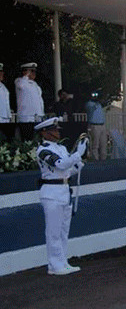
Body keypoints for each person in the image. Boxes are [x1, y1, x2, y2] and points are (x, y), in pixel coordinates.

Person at [35, 117, 87, 275]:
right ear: (45, 132)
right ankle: (54, 264)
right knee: (54, 231)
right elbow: (60, 164)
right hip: (51, 192)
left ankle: (62, 261)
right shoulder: (43, 150)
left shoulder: (61, 148)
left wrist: (79, 164)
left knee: (63, 230)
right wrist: (78, 154)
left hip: (63, 191)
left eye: (57, 130)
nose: (57, 132)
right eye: (54, 130)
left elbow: (67, 171)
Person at [15, 62, 44, 139]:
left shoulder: (35, 84)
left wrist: (41, 113)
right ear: (25, 72)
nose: (34, 73)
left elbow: (39, 100)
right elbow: (21, 86)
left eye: (34, 71)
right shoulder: (19, 81)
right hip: (26, 117)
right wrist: (26, 76)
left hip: (37, 116)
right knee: (27, 138)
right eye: (32, 71)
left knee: (37, 138)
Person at [85, 91, 108, 161]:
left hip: (102, 125)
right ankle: (95, 159)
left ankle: (103, 159)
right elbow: (91, 109)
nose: (95, 97)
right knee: (95, 144)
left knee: (103, 143)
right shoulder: (89, 104)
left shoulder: (99, 104)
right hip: (94, 125)